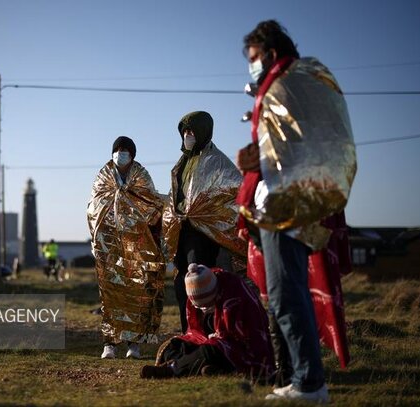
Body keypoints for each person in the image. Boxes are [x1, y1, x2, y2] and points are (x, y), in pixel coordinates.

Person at [235, 20, 356, 403]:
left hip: (287, 207)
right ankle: (302, 377)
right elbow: (282, 147)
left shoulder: (289, 84)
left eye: (254, 59)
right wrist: (253, 161)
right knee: (286, 295)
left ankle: (309, 383)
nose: (251, 67)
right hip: (281, 203)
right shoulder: (292, 83)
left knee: (287, 295)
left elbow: (308, 146)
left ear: (270, 53)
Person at [162, 111, 246, 333]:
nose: (188, 136)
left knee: (199, 286)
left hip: (204, 235)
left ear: (203, 132)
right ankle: (188, 334)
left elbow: (236, 190)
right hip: (182, 233)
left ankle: (206, 333)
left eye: (192, 131)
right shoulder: (183, 162)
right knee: (182, 287)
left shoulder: (216, 161)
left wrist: (205, 212)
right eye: (185, 132)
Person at [86, 136, 166, 360]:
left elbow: (151, 204)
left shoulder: (141, 176)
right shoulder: (103, 176)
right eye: (118, 150)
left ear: (132, 154)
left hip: (137, 246)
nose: (121, 154)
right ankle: (110, 343)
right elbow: (94, 206)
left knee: (136, 292)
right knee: (110, 295)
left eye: (125, 150)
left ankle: (134, 344)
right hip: (108, 246)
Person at [140, 263, 274, 380]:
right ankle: (205, 367)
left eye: (207, 305)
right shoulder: (198, 287)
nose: (203, 310)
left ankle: (172, 369)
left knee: (210, 351)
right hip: (207, 340)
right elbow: (195, 332)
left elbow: (245, 338)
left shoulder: (235, 297)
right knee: (175, 346)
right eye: (199, 307)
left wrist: (215, 339)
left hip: (234, 348)